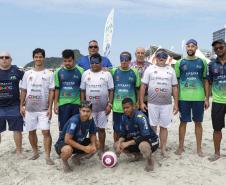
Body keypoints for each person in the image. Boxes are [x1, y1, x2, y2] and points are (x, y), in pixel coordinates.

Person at [140, 49, 179, 157]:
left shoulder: (171, 70)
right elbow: (143, 86)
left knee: (164, 127)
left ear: (166, 57)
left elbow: (175, 87)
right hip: (152, 104)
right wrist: (141, 102)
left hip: (166, 104)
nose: (161, 58)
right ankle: (153, 147)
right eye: (159, 56)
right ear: (155, 57)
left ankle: (163, 149)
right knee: (153, 126)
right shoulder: (150, 69)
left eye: (164, 56)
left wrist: (176, 103)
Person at [174, 39, 209, 157]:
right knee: (183, 122)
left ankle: (199, 149)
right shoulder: (180, 63)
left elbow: (205, 81)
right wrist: (176, 101)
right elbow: (177, 84)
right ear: (186, 48)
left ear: (196, 48)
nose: (190, 48)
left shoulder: (203, 62)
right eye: (188, 46)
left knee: (198, 123)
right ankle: (180, 147)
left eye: (192, 46)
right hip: (184, 98)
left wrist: (207, 98)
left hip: (198, 98)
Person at [20, 48, 55, 165]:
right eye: (36, 57)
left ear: (43, 58)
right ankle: (35, 152)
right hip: (30, 109)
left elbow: (51, 92)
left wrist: (50, 107)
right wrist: (21, 106)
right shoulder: (27, 73)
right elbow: (23, 90)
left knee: (46, 132)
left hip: (44, 109)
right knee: (31, 132)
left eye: (40, 57)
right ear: (33, 58)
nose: (38, 59)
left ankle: (47, 156)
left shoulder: (49, 73)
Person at [80, 53, 114, 158]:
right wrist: (82, 106)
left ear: (101, 62)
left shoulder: (107, 74)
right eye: (92, 62)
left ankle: (102, 149)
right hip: (90, 109)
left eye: (96, 62)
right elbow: (82, 90)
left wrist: (110, 104)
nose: (94, 64)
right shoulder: (86, 74)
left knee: (101, 129)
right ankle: (93, 148)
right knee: (91, 130)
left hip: (103, 109)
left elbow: (111, 90)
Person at [115, 98, 159, 172]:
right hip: (136, 140)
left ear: (133, 106)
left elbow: (145, 136)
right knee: (116, 145)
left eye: (127, 107)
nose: (125, 110)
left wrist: (127, 143)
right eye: (124, 108)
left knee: (143, 146)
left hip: (151, 141)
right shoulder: (123, 117)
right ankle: (137, 155)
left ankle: (150, 160)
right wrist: (119, 143)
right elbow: (123, 134)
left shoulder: (140, 117)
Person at [55, 101, 97, 172]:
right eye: (83, 111)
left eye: (88, 111)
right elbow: (67, 140)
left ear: (91, 111)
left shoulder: (90, 119)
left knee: (97, 144)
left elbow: (92, 134)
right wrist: (84, 148)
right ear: (79, 110)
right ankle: (65, 162)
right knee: (67, 150)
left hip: (78, 141)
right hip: (63, 143)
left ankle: (76, 157)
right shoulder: (74, 120)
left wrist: (93, 145)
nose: (85, 113)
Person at [111, 51, 141, 142]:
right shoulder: (114, 71)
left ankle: (128, 148)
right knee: (116, 129)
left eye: (126, 60)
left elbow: (138, 89)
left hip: (131, 107)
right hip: (117, 107)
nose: (123, 61)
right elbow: (110, 89)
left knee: (131, 129)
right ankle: (116, 146)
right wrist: (110, 103)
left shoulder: (135, 72)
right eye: (121, 59)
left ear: (129, 61)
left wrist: (138, 102)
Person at [0, 51, 24, 157]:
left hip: (14, 106)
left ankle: (18, 151)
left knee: (17, 130)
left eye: (6, 57)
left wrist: (24, 104)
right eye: (1, 57)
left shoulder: (17, 71)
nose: (4, 59)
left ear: (11, 59)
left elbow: (29, 83)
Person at [54, 49, 84, 132]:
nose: (67, 63)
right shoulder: (58, 72)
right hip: (63, 104)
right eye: (65, 61)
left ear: (74, 60)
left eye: (69, 61)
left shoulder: (81, 71)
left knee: (76, 128)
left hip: (76, 104)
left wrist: (82, 104)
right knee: (63, 128)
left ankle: (75, 144)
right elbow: (57, 88)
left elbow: (82, 89)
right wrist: (55, 104)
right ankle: (63, 144)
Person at [207, 39, 226, 161]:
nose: (218, 50)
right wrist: (206, 99)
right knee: (217, 129)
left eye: (221, 47)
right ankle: (217, 153)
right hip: (218, 101)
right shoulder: (211, 64)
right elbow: (208, 82)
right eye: (216, 49)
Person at [130, 47, 151, 117]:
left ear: (145, 55)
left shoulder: (150, 66)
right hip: (133, 98)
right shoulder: (130, 66)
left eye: (142, 53)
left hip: (147, 98)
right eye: (138, 53)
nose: (140, 55)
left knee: (147, 120)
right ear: (135, 54)